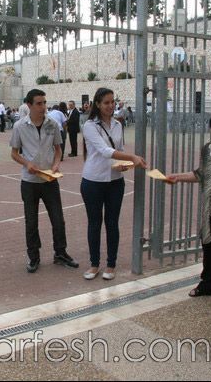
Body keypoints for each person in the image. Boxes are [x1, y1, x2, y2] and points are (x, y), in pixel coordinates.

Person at [167, 111, 211, 305]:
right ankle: (208, 283)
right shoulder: (207, 149)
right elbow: (201, 174)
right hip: (210, 208)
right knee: (209, 246)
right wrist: (177, 177)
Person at [80, 88, 147, 281]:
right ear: (97, 104)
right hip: (93, 181)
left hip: (115, 181)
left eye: (112, 102)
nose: (110, 106)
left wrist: (124, 164)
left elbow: (119, 149)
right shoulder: (90, 126)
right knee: (94, 224)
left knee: (112, 223)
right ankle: (94, 264)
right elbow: (104, 150)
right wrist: (132, 157)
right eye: (106, 103)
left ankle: (111, 264)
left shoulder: (118, 124)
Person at [10, 89, 79, 273]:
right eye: (39, 103)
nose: (43, 107)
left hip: (49, 180)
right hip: (29, 181)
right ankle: (34, 256)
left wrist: (56, 164)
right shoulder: (20, 126)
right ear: (29, 105)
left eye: (44, 103)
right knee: (31, 221)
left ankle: (60, 253)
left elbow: (58, 149)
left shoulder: (52, 124)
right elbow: (14, 153)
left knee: (58, 219)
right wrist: (27, 164)